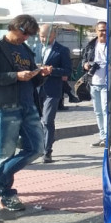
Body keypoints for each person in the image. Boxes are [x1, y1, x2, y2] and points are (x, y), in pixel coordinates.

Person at [0, 14, 53, 213]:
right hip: (6, 105)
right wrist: (14, 76)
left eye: (29, 35)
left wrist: (40, 75)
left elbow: (31, 81)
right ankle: (7, 195)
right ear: (15, 26)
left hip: (28, 105)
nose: (25, 38)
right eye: (24, 33)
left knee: (36, 148)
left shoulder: (25, 50)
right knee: (5, 154)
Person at [35, 23, 74, 163]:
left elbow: (68, 71)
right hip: (36, 89)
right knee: (35, 121)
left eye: (46, 36)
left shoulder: (62, 50)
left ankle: (47, 151)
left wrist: (53, 71)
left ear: (54, 35)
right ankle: (36, 147)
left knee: (47, 120)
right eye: (41, 36)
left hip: (53, 90)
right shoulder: (36, 48)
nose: (43, 39)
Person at [82, 21, 108, 148]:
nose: (103, 33)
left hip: (107, 82)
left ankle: (107, 137)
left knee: (105, 109)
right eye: (101, 30)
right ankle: (102, 136)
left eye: (105, 30)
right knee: (98, 111)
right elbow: (84, 59)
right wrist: (85, 65)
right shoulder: (91, 45)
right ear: (96, 31)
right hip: (93, 82)